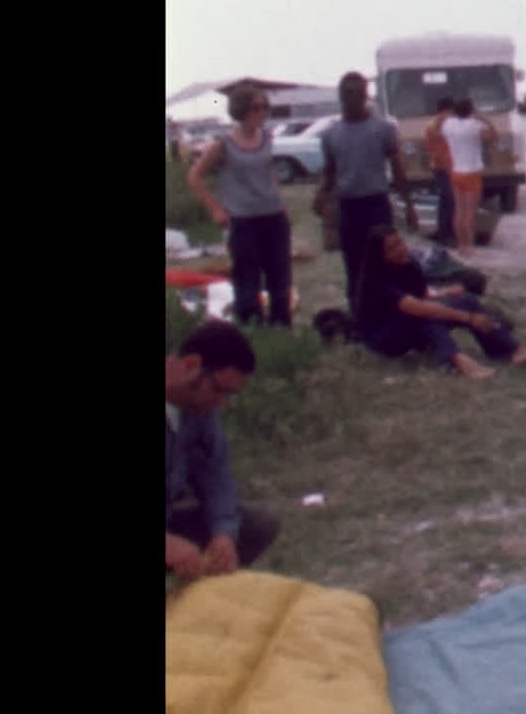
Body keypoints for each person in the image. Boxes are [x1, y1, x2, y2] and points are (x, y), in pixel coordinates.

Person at [353, 224, 526, 379]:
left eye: (400, 242)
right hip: (385, 337)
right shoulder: (377, 280)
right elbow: (415, 307)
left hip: (409, 322)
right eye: (392, 248)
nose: (400, 249)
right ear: (381, 256)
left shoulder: (409, 264)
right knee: (428, 315)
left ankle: (514, 350)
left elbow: (421, 293)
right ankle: (459, 361)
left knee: (466, 300)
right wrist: (468, 318)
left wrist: (443, 293)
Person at [166, 320, 281, 579]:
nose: (221, 404)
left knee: (257, 525)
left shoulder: (199, 412)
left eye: (229, 395)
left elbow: (216, 477)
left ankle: (198, 592)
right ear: (190, 366)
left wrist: (223, 534)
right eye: (219, 391)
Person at [186, 85, 293, 328]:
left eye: (265, 106)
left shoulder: (267, 138)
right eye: (256, 107)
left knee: (279, 276)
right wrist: (215, 209)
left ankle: (281, 328)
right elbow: (194, 176)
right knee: (247, 278)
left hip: (274, 216)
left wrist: (280, 200)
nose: (262, 112)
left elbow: (268, 172)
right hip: (243, 220)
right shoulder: (223, 145)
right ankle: (252, 329)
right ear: (241, 110)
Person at [317, 72, 418, 314]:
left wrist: (409, 205)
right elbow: (330, 172)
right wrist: (322, 197)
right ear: (340, 98)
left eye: (356, 94)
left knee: (386, 262)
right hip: (348, 208)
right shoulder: (330, 134)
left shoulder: (383, 129)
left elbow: (397, 169)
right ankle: (359, 316)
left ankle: (390, 313)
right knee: (354, 265)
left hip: (377, 206)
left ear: (365, 96)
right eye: (346, 95)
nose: (350, 99)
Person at [440, 96, 499, 258]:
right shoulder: (475, 125)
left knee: (459, 211)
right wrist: (485, 119)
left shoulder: (448, 125)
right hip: (472, 173)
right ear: (471, 110)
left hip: (456, 172)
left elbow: (442, 129)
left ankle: (461, 245)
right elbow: (493, 136)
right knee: (470, 214)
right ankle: (470, 246)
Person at [425, 97, 458, 247]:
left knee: (446, 200)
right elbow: (437, 151)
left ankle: (442, 231)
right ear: (445, 111)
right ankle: (447, 234)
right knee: (450, 199)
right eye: (451, 111)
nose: (453, 114)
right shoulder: (434, 126)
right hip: (441, 168)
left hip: (451, 167)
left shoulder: (449, 124)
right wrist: (448, 169)